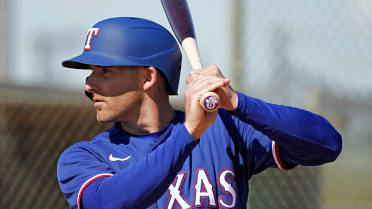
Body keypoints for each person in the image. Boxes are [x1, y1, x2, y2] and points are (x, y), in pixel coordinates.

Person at [57, 17, 342, 209]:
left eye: (104, 71)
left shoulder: (224, 130)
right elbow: (109, 202)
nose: (88, 84)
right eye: (91, 72)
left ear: (148, 77)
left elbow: (326, 145)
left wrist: (237, 102)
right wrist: (189, 133)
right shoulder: (83, 158)